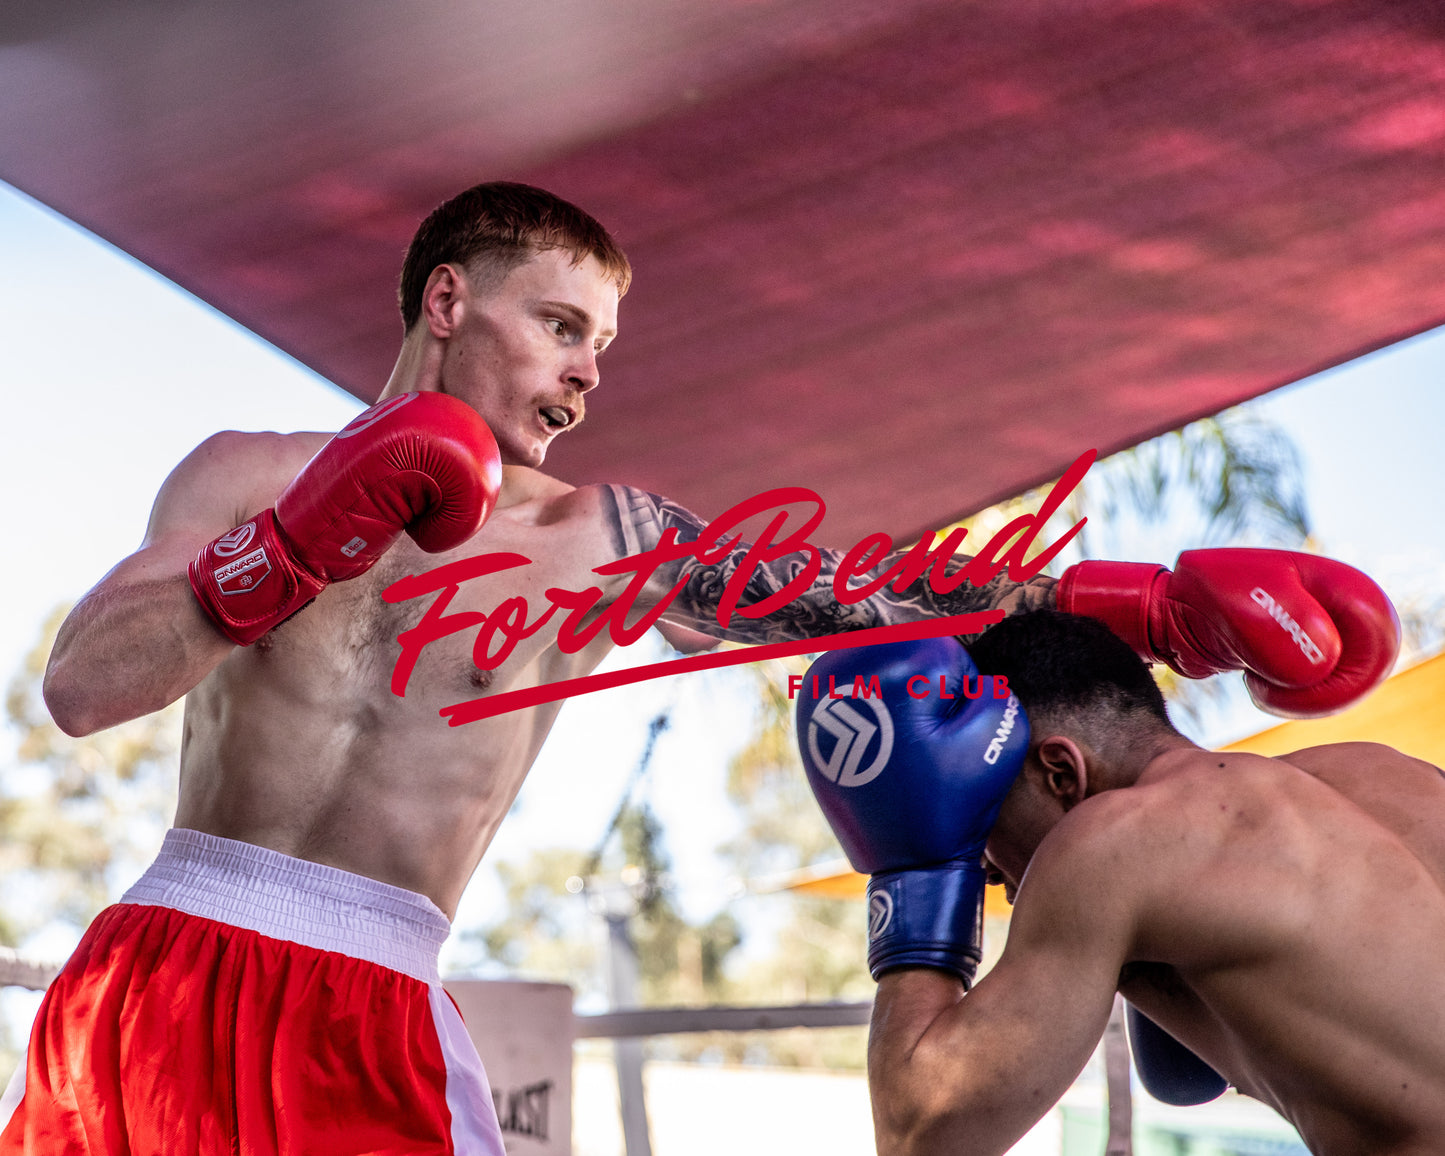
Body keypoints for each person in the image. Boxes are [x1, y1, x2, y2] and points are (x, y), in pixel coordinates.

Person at [12, 180, 1398, 1153]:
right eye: (562, 326)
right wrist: (287, 546)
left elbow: (850, 598)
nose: (587, 372)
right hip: (159, 964)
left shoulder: (602, 534)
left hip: (372, 991)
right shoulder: (245, 475)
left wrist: (1135, 607)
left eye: (602, 347)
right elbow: (81, 688)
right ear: (447, 298)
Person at [796, 611, 1445, 1156]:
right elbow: (1186, 1077)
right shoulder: (1383, 775)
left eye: (982, 825)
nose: (991, 875)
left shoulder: (1110, 844)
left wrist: (920, 867)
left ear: (1060, 772)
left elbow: (921, 1132)